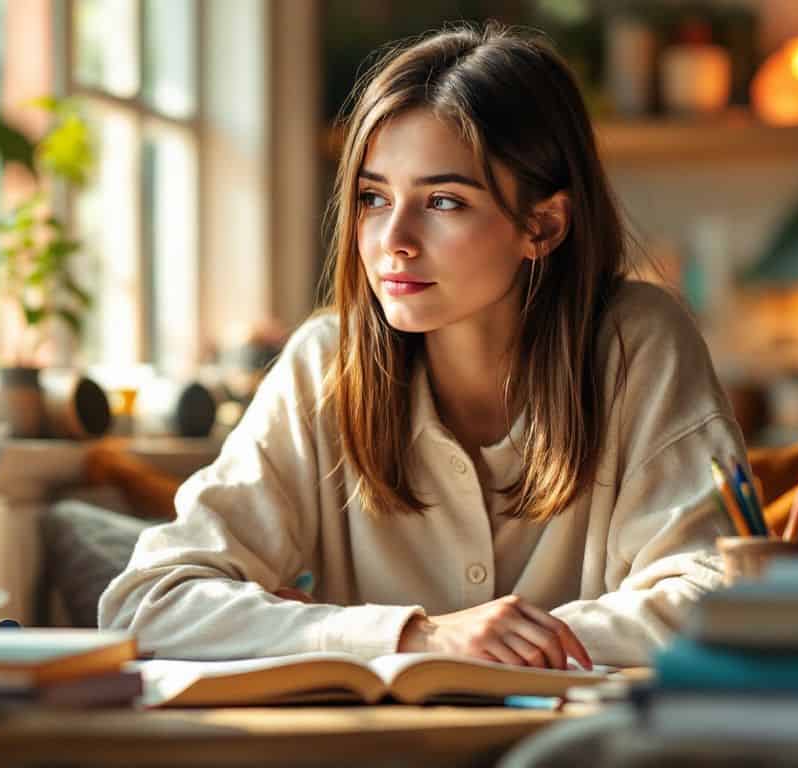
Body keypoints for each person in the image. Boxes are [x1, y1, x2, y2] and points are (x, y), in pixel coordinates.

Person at [98, 24, 747, 669]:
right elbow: (149, 602)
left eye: (442, 201)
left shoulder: (638, 342)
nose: (394, 239)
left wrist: (499, 645)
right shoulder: (325, 362)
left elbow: (715, 602)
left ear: (542, 225)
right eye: (373, 197)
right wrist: (419, 638)